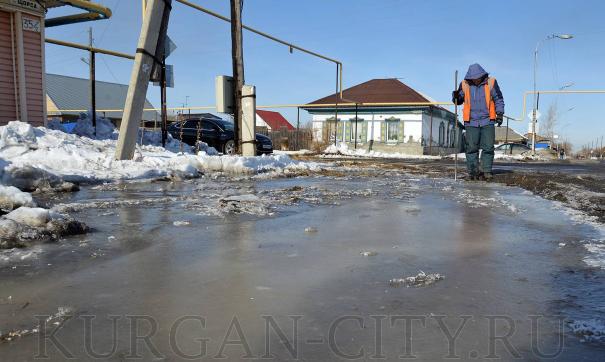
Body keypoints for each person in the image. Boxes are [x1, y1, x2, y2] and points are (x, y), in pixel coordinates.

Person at [452, 63, 505, 181]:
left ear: (482, 75)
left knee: (488, 147)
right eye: (473, 78)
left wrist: (500, 113)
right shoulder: (464, 84)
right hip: (471, 121)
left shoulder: (491, 82)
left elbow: (499, 99)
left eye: (477, 78)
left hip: (488, 120)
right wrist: (455, 96)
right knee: (471, 148)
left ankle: (486, 171)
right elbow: (458, 101)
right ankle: (473, 172)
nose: (475, 80)